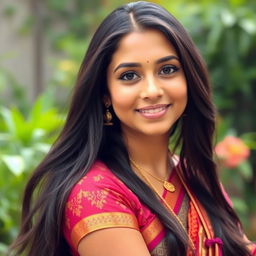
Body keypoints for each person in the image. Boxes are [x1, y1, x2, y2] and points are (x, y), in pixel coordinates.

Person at [9, 1, 256, 256]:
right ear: (106, 93)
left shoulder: (195, 175)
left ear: (188, 79)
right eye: (129, 76)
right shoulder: (95, 195)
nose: (152, 90)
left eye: (167, 70)